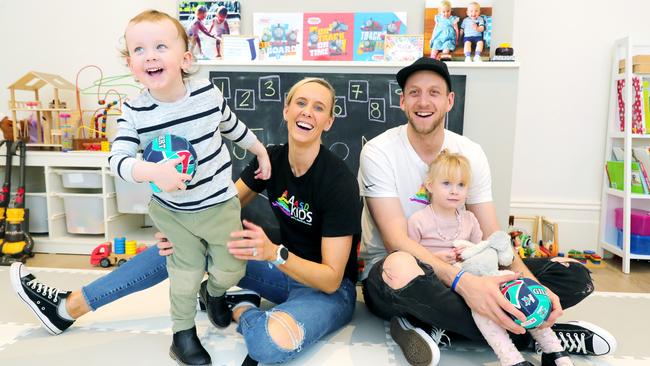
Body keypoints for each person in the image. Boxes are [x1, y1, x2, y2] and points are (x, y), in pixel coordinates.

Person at [11, 77, 361, 365]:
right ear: (286, 110)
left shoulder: (338, 181)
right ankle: (66, 308)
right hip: (277, 272)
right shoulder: (270, 159)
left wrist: (274, 254)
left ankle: (241, 307)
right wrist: (180, 227)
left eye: (319, 108)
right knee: (180, 245)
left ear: (329, 121)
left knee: (267, 349)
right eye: (301, 103)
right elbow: (219, 203)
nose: (307, 113)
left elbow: (331, 279)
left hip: (325, 288)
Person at [358, 56, 616, 366]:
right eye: (414, 92)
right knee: (398, 267)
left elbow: (495, 238)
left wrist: (531, 285)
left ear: (450, 100)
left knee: (575, 275)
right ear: (402, 100)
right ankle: (539, 334)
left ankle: (439, 325)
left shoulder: (470, 152)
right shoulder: (378, 151)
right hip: (406, 271)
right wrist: (465, 286)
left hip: (469, 265)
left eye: (434, 92)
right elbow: (396, 241)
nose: (423, 101)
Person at [115, 9, 270, 365]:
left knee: (232, 269)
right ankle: (182, 334)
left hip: (220, 205)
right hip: (174, 213)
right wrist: (151, 172)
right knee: (183, 275)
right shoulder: (134, 112)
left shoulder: (207, 94)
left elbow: (232, 125)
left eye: (160, 46)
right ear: (130, 63)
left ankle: (214, 292)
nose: (150, 56)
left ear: (185, 58)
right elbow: (118, 159)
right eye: (139, 50)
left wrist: (259, 149)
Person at [407, 151, 573, 366]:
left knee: (522, 288)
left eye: (461, 185)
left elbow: (483, 249)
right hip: (444, 282)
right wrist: (437, 258)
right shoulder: (419, 220)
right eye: (446, 183)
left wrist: (476, 253)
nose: (454, 191)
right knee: (483, 304)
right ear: (429, 185)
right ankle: (511, 358)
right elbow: (410, 257)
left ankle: (554, 350)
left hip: (477, 274)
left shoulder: (469, 219)